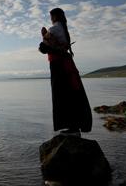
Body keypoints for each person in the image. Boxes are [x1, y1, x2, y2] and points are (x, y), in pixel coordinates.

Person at [39, 7, 92, 136]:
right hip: (65, 63)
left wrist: (43, 39)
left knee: (63, 95)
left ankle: (72, 128)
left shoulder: (54, 29)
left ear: (55, 17)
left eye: (51, 17)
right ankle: (74, 127)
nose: (51, 19)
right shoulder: (63, 29)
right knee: (71, 94)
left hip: (59, 65)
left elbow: (43, 48)